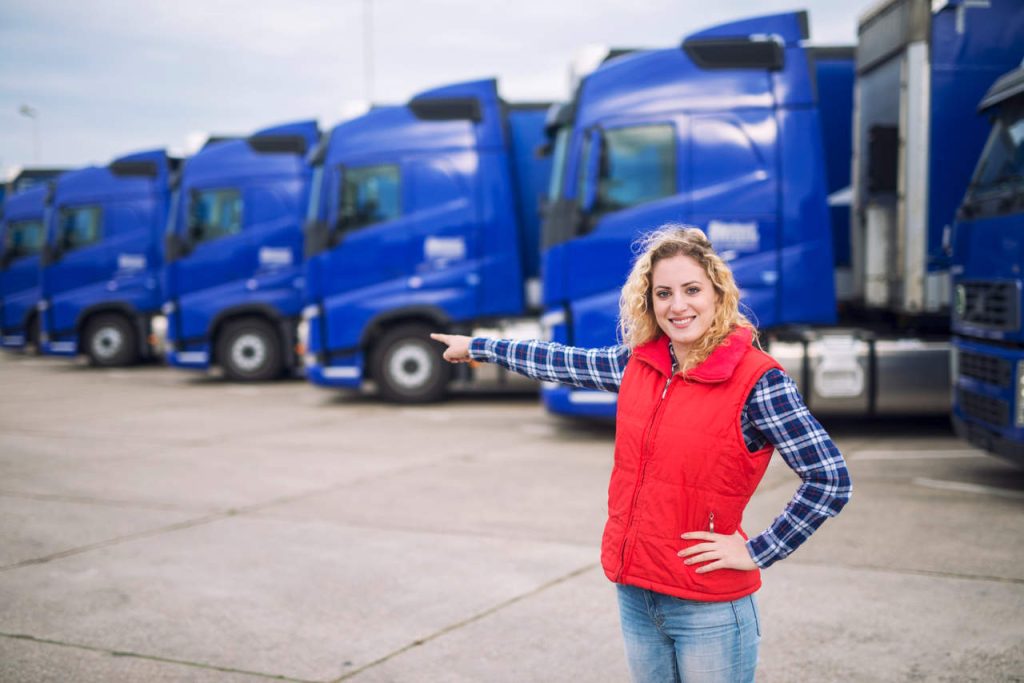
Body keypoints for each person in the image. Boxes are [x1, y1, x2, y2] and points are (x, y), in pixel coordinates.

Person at [431, 225, 851, 683]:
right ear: (648, 301)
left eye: (692, 290)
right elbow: (564, 360)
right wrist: (479, 347)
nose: (678, 305)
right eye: (663, 293)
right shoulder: (641, 363)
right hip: (636, 593)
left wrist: (759, 550)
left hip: (707, 604)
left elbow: (829, 478)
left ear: (718, 294)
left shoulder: (757, 381)